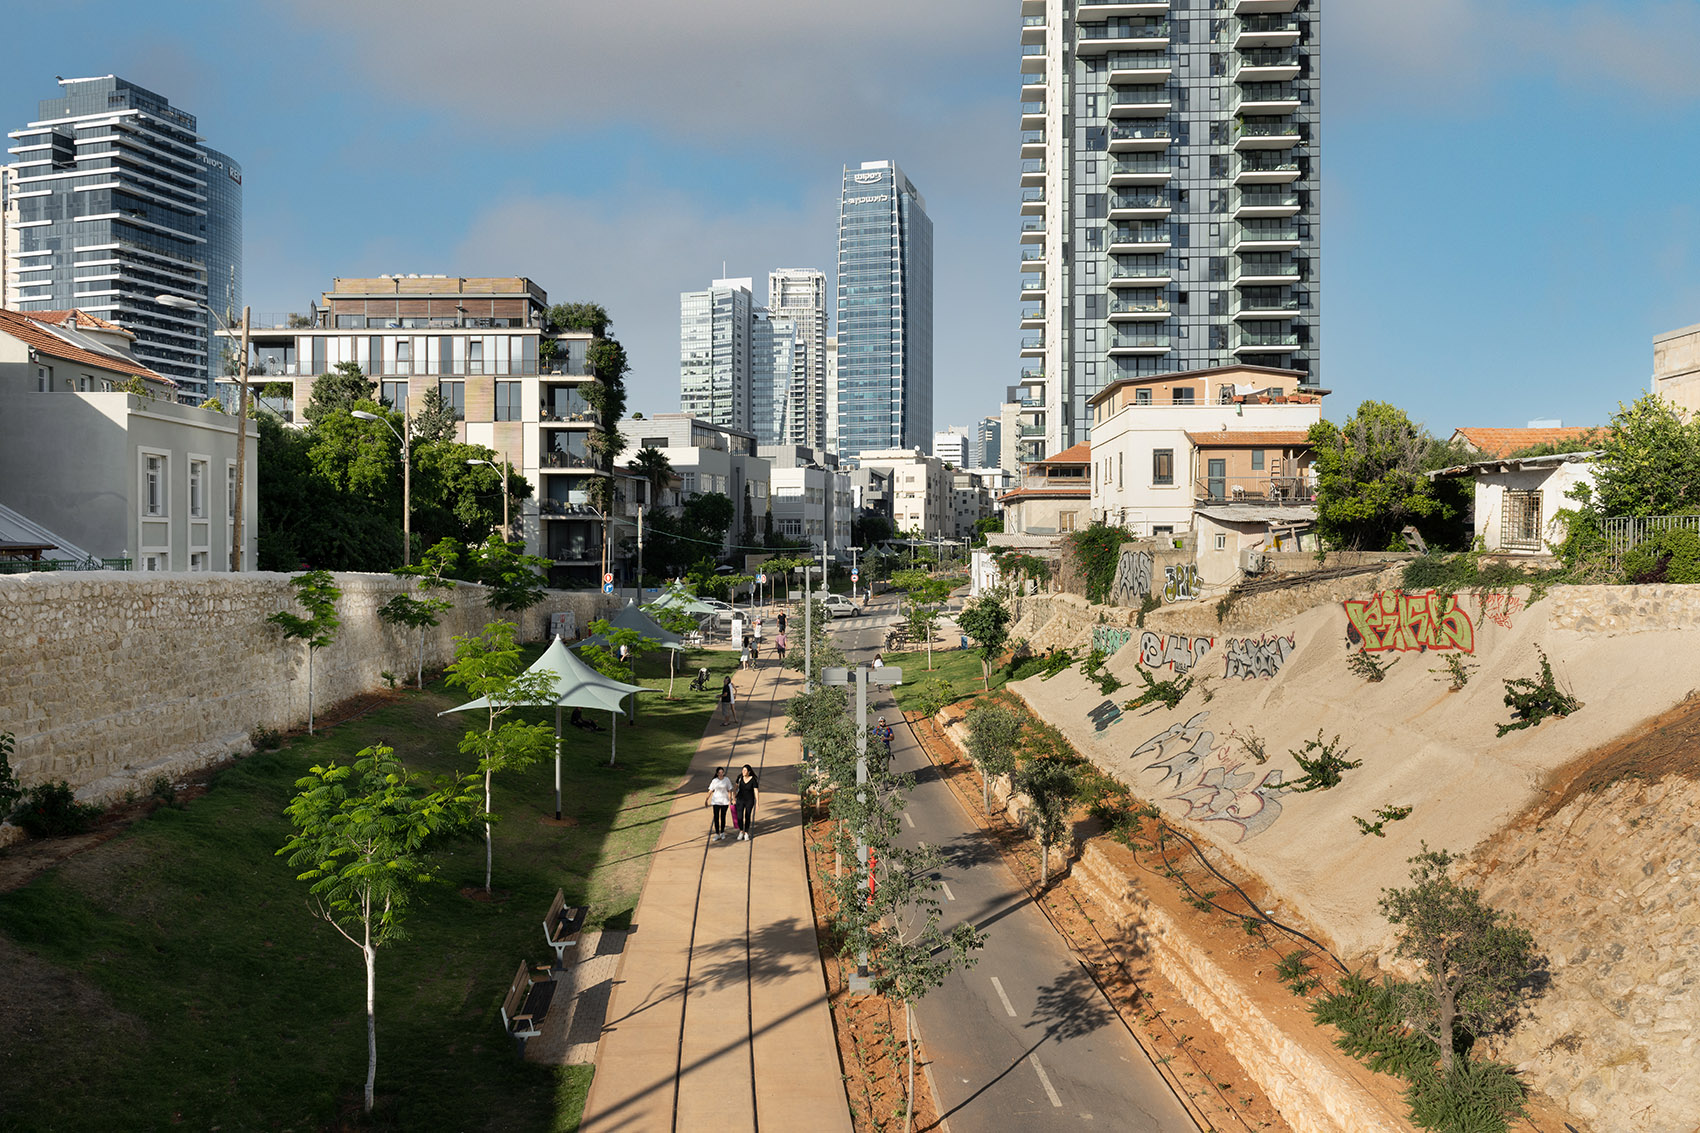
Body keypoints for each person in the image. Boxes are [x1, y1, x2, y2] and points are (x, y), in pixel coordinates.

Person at [733, 764, 760, 840]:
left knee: (747, 816)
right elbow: (735, 788)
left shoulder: (753, 780)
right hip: (740, 800)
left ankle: (746, 833)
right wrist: (733, 798)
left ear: (749, 772)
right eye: (742, 770)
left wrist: (757, 803)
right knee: (739, 817)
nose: (743, 772)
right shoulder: (740, 778)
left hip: (749, 800)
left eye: (745, 770)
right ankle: (741, 831)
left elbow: (756, 791)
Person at [706, 767, 733, 841]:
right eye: (719, 773)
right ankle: (717, 833)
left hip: (724, 801)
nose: (721, 774)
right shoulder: (714, 781)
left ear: (723, 773)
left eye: (722, 772)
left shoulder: (727, 780)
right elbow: (710, 790)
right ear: (717, 773)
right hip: (716, 801)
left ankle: (722, 832)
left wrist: (730, 800)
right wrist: (706, 799)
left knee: (723, 817)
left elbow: (730, 790)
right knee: (716, 817)